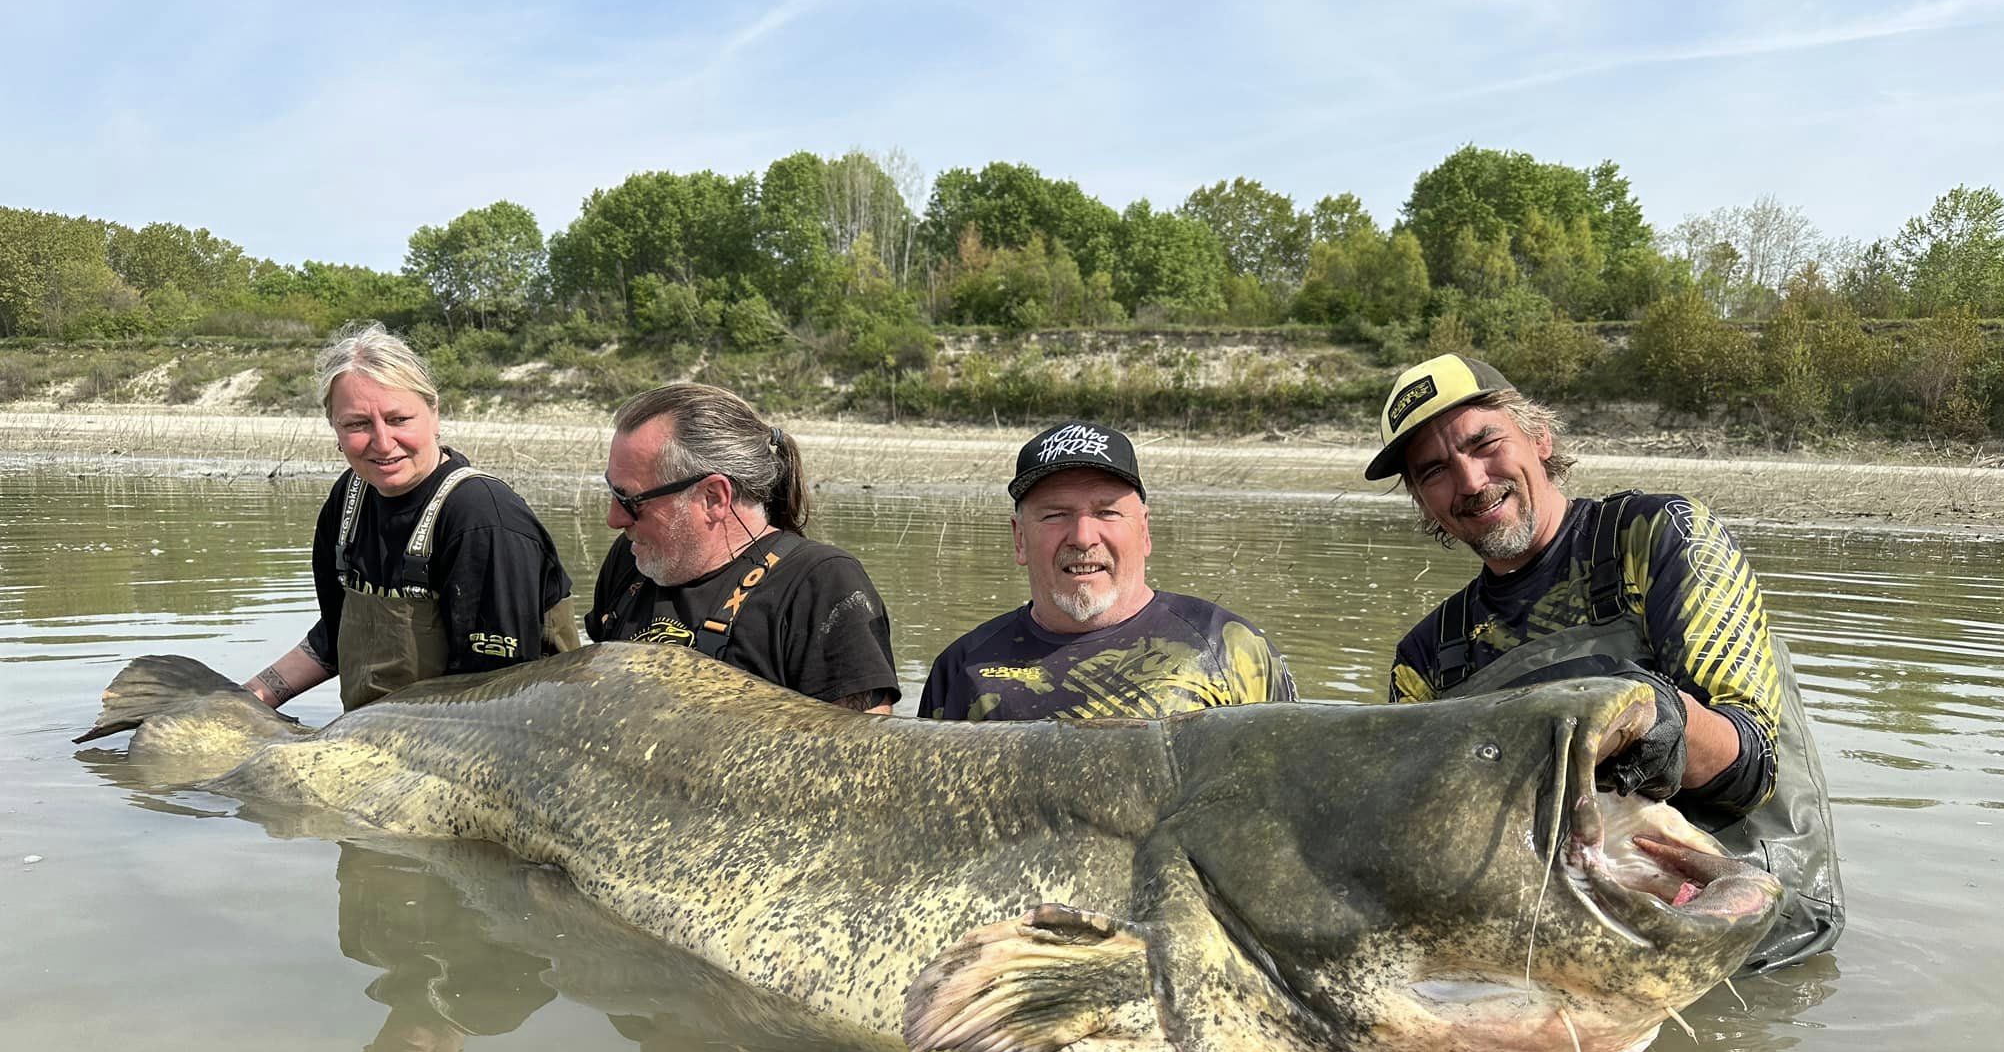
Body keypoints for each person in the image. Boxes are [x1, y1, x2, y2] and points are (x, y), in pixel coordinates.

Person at [1369, 352, 1843, 969]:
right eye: (1433, 471)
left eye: (1484, 443)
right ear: (1423, 501)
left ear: (1539, 439)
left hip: (1748, 937)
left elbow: (1750, 762)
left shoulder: (1660, 537)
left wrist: (1654, 717)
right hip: (1562, 951)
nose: (1470, 481)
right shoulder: (1426, 657)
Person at [244, 322, 578, 712]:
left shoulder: (483, 518)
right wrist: (247, 701)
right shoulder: (348, 498)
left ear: (434, 414)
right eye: (357, 424)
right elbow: (334, 637)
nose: (383, 443)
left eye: (399, 419)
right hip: (378, 734)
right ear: (334, 428)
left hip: (496, 732)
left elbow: (497, 693)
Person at [919, 421, 1296, 721]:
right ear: (1019, 539)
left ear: (1145, 530)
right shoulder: (961, 668)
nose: (1083, 538)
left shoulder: (1228, 647)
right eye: (1055, 515)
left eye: (1107, 512)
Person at [585, 383, 899, 713]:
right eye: (611, 489)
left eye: (629, 501)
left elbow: (861, 754)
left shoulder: (820, 585)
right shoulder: (631, 560)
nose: (614, 519)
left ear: (713, 498)